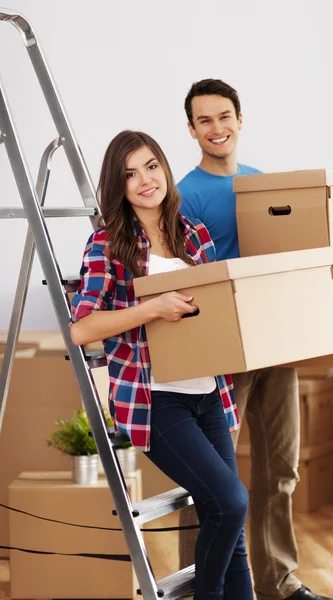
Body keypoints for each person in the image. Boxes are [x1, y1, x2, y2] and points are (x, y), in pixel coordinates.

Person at [69, 130, 254, 600]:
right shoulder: (107, 243)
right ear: (118, 185)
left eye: (152, 166)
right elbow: (82, 328)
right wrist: (153, 307)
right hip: (156, 400)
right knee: (230, 503)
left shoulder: (194, 234)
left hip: (208, 394)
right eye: (130, 174)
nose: (145, 180)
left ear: (166, 169)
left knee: (231, 527)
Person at [178, 79, 333, 600]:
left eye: (224, 116)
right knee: (216, 478)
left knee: (281, 467)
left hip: (277, 340)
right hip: (224, 348)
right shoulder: (186, 194)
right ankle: (208, 583)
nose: (216, 128)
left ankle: (279, 580)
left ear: (240, 120)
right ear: (191, 129)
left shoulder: (262, 185)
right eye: (204, 120)